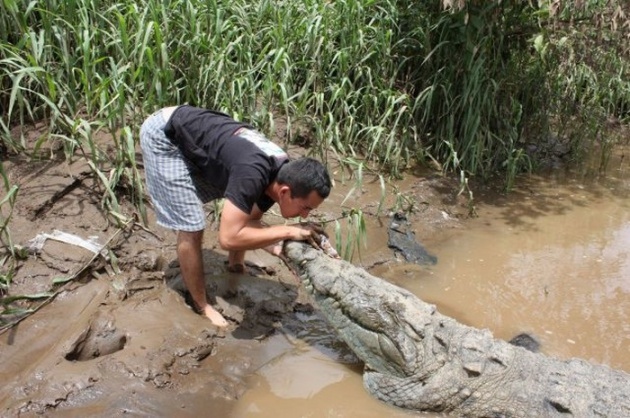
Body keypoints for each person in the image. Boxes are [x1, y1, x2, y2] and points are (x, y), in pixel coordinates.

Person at [140, 105, 332, 327]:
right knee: (192, 225)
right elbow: (228, 238)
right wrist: (288, 231)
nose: (305, 214)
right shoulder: (253, 173)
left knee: (233, 206)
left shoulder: (279, 175)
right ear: (285, 192)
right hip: (164, 135)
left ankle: (234, 264)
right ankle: (202, 305)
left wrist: (239, 264)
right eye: (306, 207)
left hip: (194, 133)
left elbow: (249, 220)